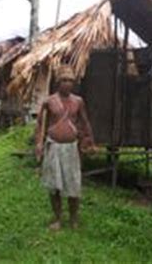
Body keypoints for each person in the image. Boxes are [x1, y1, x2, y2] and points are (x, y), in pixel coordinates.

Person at [35, 65, 95, 230]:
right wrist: (39, 143)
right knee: (54, 186)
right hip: (53, 147)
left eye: (70, 81)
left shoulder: (78, 102)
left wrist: (89, 140)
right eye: (64, 80)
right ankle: (58, 219)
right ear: (58, 82)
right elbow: (41, 124)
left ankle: (74, 219)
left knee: (73, 184)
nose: (67, 84)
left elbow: (84, 122)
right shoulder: (49, 102)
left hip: (71, 148)